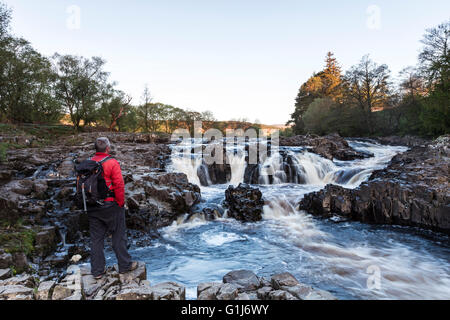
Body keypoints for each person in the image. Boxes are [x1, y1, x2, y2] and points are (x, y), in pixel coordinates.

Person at [87, 137, 137, 279]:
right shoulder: (112, 162)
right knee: (118, 235)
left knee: (96, 239)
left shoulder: (89, 163)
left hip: (92, 205)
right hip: (110, 205)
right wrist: (120, 203)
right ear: (108, 149)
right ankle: (125, 266)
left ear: (95, 148)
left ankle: (97, 271)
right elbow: (119, 185)